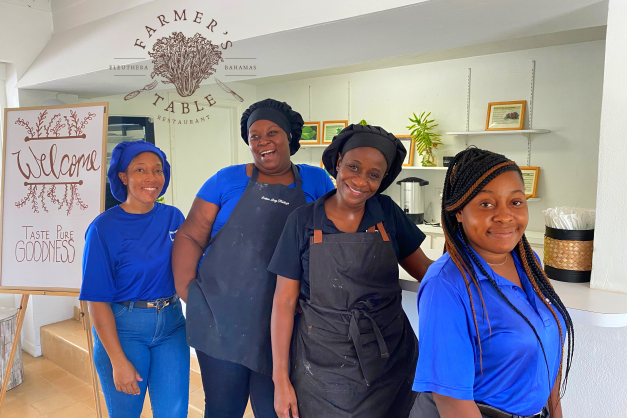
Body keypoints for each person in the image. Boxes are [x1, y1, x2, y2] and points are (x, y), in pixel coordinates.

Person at [172, 98, 335, 418]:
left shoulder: (316, 181)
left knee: (276, 410)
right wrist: (188, 290)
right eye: (254, 135)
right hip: (221, 321)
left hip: (284, 322)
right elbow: (191, 235)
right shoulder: (225, 180)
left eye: (272, 132)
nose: (263, 141)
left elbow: (330, 241)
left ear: (290, 136)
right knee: (222, 408)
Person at [269, 124, 433, 418]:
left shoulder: (386, 212)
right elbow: (283, 303)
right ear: (339, 160)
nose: (360, 181)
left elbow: (427, 272)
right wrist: (280, 379)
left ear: (383, 179)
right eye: (354, 167)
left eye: (373, 175)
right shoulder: (302, 221)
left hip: (392, 361)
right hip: (323, 368)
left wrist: (477, 275)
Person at [412, 147, 574, 418]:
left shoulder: (528, 261)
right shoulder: (447, 285)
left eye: (516, 202)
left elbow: (547, 348)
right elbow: (453, 403)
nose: (505, 216)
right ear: (459, 212)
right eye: (486, 204)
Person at [80, 141, 189, 418]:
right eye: (140, 170)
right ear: (123, 177)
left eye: (157, 170)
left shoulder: (173, 217)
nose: (151, 178)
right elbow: (96, 300)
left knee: (173, 413)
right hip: (124, 330)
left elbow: (192, 267)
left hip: (172, 326)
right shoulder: (103, 228)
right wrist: (117, 360)